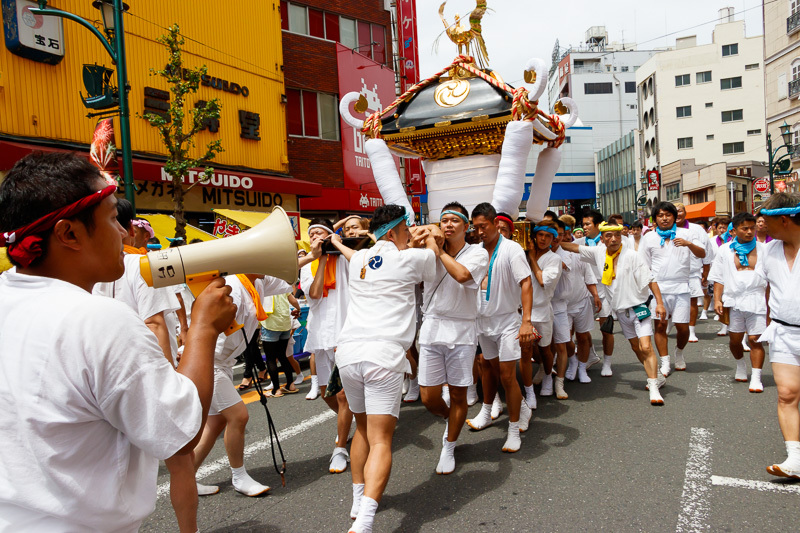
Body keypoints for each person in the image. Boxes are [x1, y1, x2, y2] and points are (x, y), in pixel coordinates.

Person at [0, 152, 236, 531]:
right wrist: (204, 327)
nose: (125, 233)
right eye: (112, 219)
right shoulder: (98, 319)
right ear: (69, 233)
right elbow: (181, 432)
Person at [334, 205, 437, 532]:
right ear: (392, 232)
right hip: (383, 355)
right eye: (406, 228)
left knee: (361, 429)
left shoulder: (360, 259)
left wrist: (410, 241)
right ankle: (365, 520)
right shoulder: (412, 258)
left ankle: (357, 498)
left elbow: (361, 255)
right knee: (381, 440)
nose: (411, 233)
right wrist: (429, 239)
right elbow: (433, 264)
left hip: (349, 353)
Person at [561, 221, 668, 404]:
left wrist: (659, 303)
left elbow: (651, 280)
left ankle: (654, 387)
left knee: (645, 347)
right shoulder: (598, 253)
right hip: (620, 312)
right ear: (601, 239)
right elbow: (571, 247)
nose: (614, 239)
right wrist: (550, 239)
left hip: (639, 307)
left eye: (617, 235)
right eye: (609, 236)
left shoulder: (633, 256)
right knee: (636, 347)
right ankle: (656, 374)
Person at [418, 202, 489, 475]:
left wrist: (436, 252)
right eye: (443, 220)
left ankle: (449, 445)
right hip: (432, 327)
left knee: (459, 393)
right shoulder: (428, 251)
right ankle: (452, 420)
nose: (448, 225)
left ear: (466, 226)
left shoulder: (478, 253)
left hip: (461, 330)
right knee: (428, 396)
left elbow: (462, 275)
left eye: (454, 221)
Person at [466, 203, 534, 452]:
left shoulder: (511, 249)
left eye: (483, 226)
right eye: (476, 227)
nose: (480, 231)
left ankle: (514, 429)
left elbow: (526, 283)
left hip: (506, 321)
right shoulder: (475, 250)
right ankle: (503, 409)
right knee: (489, 369)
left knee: (507, 375)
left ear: (496, 223)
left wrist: (526, 321)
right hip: (483, 322)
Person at [300, 219, 355, 473]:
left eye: (322, 233)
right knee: (327, 393)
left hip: (345, 333)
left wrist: (336, 245)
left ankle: (340, 448)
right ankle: (350, 420)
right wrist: (319, 259)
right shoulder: (307, 266)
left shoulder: (344, 258)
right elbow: (314, 293)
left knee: (343, 394)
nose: (316, 237)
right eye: (312, 235)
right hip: (321, 333)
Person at [755, 192, 800, 479]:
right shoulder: (769, 251)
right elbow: (763, 286)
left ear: (783, 219)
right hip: (783, 330)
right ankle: (795, 458)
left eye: (766, 221)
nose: (761, 225)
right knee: (786, 393)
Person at [639, 202, 706, 376]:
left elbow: (702, 254)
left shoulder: (687, 233)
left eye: (668, 215)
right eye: (660, 215)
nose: (664, 218)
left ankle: (679, 352)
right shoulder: (649, 237)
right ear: (655, 219)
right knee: (660, 326)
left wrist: (688, 244)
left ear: (675, 217)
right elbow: (644, 266)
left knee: (682, 328)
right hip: (658, 288)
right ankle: (665, 361)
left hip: (682, 287)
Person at [708, 212, 767, 392]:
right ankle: (740, 365)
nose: (750, 232)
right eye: (745, 228)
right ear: (734, 230)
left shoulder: (765, 249)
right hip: (733, 300)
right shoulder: (725, 250)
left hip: (758, 298)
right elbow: (718, 277)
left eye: (752, 228)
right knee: (735, 340)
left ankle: (756, 377)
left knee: (755, 339)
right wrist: (717, 299)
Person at [550, 219, 602, 396]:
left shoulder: (578, 252)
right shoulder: (549, 252)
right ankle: (572, 361)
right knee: (565, 339)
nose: (563, 236)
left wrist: (595, 295)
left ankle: (582, 368)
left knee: (583, 336)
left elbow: (588, 276)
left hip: (581, 301)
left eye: (565, 233)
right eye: (560, 233)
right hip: (561, 305)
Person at [527, 220, 563, 396]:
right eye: (540, 235)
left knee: (544, 347)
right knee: (527, 349)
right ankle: (537, 373)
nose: (543, 239)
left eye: (548, 236)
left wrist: (533, 258)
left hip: (541, 310)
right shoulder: (523, 254)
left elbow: (543, 281)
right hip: (521, 310)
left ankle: (548, 376)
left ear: (553, 239)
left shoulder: (554, 259)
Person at [575, 209, 612, 374]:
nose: (584, 227)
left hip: (604, 288)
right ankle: (590, 355)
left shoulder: (608, 242)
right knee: (582, 329)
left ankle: (607, 363)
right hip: (584, 289)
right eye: (583, 224)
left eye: (588, 224)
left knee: (606, 328)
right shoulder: (579, 242)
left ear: (598, 225)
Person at [674, 203, 715, 343]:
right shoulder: (664, 229)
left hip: (692, 271)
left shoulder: (696, 229)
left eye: (680, 211)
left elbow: (706, 250)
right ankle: (669, 324)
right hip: (671, 273)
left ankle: (691, 330)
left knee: (692, 301)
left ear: (685, 212)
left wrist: (706, 271)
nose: (677, 214)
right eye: (674, 211)